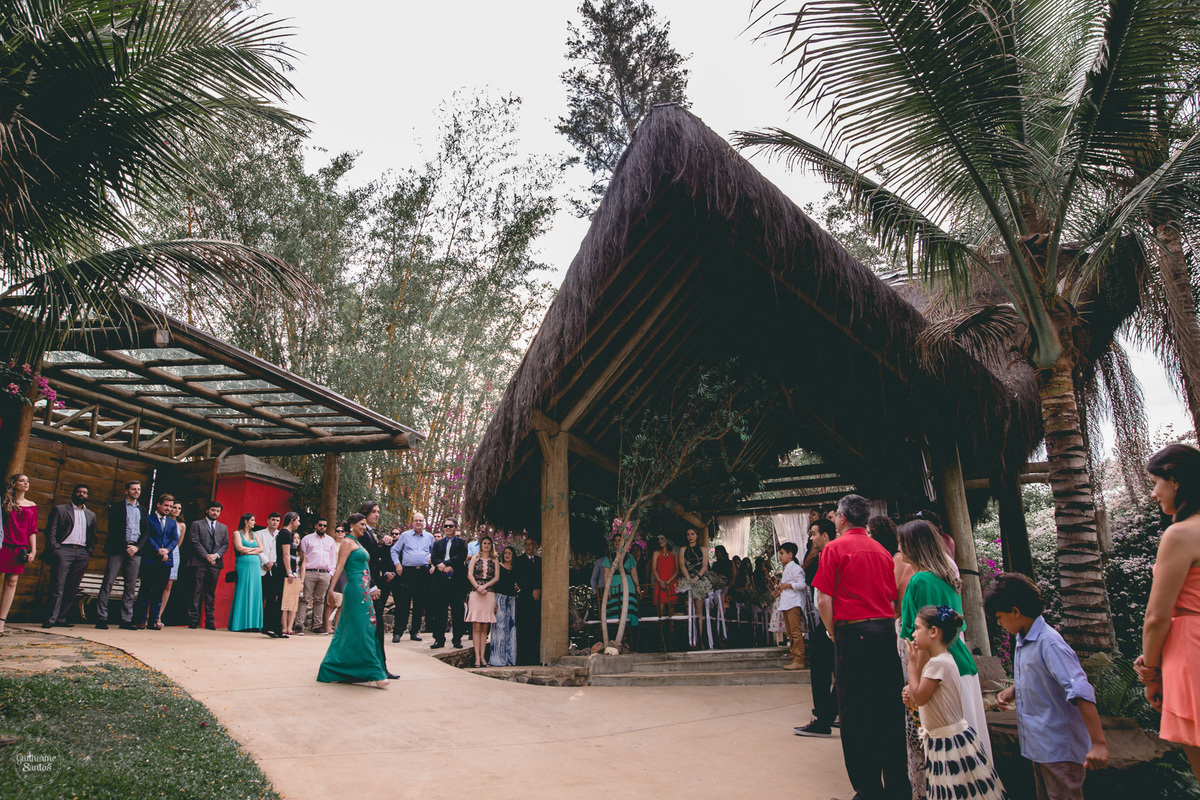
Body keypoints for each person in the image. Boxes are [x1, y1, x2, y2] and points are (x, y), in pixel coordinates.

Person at [812, 494, 910, 799]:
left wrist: (832, 633)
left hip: (853, 634)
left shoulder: (835, 548)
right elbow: (893, 597)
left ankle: (868, 789)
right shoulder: (883, 551)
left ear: (841, 518)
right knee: (888, 709)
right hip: (884, 632)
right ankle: (897, 785)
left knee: (855, 713)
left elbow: (823, 599)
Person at [985, 572, 1107, 800]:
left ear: (1015, 612)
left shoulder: (1049, 642)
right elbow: (1040, 676)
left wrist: (1099, 743)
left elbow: (1080, 690)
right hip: (1039, 746)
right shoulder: (1024, 639)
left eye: (999, 617)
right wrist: (1014, 690)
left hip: (1059, 748)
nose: (999, 623)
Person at [897, 519, 992, 768]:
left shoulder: (919, 581)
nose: (898, 547)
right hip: (960, 664)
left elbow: (920, 640)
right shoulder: (946, 577)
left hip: (936, 672)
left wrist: (915, 681)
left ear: (913, 546)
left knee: (946, 752)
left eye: (902, 542)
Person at [1138, 443, 1200, 781]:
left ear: (1175, 480)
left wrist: (1150, 670)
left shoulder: (1180, 534)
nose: (1153, 494)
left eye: (1155, 483)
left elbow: (1157, 618)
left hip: (1191, 653)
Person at [903, 605, 1007, 800]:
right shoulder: (942, 660)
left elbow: (919, 697)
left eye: (917, 628)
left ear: (933, 631)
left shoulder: (937, 664)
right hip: (946, 741)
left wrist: (911, 663)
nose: (913, 633)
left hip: (948, 745)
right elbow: (921, 701)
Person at [318, 513, 388, 688]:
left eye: (365, 524)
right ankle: (375, 673)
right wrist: (331, 590)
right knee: (364, 628)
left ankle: (336, 667)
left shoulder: (358, 543)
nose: (365, 527)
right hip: (355, 590)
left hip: (363, 589)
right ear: (352, 525)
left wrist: (371, 588)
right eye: (362, 524)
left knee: (356, 629)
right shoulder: (347, 543)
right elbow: (339, 567)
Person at [796, 517, 837, 736]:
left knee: (821, 666)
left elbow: (823, 597)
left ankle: (824, 716)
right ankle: (829, 713)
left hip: (832, 620)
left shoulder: (830, 553)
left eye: (813, 534)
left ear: (825, 535)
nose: (811, 539)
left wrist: (829, 628)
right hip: (835, 620)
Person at [40, 483, 96, 629]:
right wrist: (55, 548)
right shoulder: (60, 510)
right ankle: (50, 619)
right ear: (73, 493)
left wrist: (89, 550)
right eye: (78, 492)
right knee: (57, 586)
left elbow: (93, 536)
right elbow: (51, 531)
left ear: (87, 496)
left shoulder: (91, 515)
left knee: (72, 587)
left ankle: (61, 619)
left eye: (84, 492)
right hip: (64, 551)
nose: (81, 494)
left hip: (82, 552)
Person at [98, 480, 151, 630]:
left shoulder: (142, 509)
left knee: (131, 586)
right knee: (108, 582)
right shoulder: (116, 507)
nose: (136, 492)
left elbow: (145, 532)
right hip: (117, 549)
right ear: (126, 491)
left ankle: (126, 619)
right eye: (133, 489)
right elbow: (113, 529)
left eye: (138, 489)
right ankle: (101, 617)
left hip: (136, 551)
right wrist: (125, 547)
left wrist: (136, 547)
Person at [357, 501, 399, 678]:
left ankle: (380, 666)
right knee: (374, 627)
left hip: (374, 582)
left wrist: (385, 545)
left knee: (377, 627)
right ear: (365, 513)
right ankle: (377, 667)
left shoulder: (370, 532)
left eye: (378, 512)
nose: (377, 514)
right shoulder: (362, 533)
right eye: (373, 511)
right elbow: (364, 563)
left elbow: (376, 558)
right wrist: (373, 584)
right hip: (367, 586)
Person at [132, 493, 180, 630]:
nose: (168, 509)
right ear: (158, 504)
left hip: (166, 560)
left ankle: (154, 620)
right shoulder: (148, 519)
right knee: (145, 590)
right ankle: (141, 620)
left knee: (159, 592)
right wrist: (158, 550)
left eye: (170, 506)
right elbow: (146, 536)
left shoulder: (172, 522)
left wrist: (167, 550)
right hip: (150, 559)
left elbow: (174, 539)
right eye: (166, 505)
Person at [0, 474, 39, 635]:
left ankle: (1, 622)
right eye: (22, 480)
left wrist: (33, 550)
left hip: (20, 547)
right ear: (14, 484)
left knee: (12, 582)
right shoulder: (4, 502)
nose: (26, 483)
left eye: (28, 481)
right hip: (3, 545)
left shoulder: (32, 505)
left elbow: (32, 529)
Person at [389, 511, 434, 642]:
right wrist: (397, 564)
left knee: (419, 603)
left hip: (423, 573)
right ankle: (398, 632)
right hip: (407, 572)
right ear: (412, 522)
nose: (418, 523)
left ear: (424, 522)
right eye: (416, 520)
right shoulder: (405, 535)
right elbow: (394, 550)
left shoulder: (429, 537)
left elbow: (434, 553)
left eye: (421, 520)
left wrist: (433, 565)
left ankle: (414, 632)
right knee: (403, 602)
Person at [187, 500, 228, 630]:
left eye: (217, 511)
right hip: (199, 562)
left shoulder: (223, 527)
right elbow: (194, 541)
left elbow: (225, 544)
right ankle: (193, 619)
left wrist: (215, 556)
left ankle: (210, 621)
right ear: (207, 511)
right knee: (196, 591)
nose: (215, 513)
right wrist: (207, 556)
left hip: (215, 563)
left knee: (211, 592)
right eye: (213, 510)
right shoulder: (197, 524)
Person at [428, 518, 469, 650]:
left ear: (455, 527)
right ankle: (438, 639)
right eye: (446, 526)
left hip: (456, 581)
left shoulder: (461, 542)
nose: (448, 528)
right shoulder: (438, 543)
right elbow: (434, 557)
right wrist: (441, 566)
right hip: (440, 581)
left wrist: (447, 564)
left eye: (451, 526)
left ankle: (457, 639)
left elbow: (461, 556)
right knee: (439, 611)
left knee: (457, 611)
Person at [295, 518, 336, 635]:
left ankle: (317, 625)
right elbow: (302, 557)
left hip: (324, 573)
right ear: (316, 526)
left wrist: (330, 573)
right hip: (309, 572)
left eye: (324, 525)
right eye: (320, 525)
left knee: (320, 600)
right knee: (304, 599)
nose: (322, 527)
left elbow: (332, 558)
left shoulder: (330, 541)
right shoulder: (307, 539)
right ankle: (299, 625)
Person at [466, 535, 500, 666]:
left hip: (489, 592)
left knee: (485, 626)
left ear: (491, 546)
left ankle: (483, 658)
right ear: (481, 545)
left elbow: (496, 577)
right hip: (475, 592)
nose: (486, 545)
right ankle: (477, 657)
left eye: (489, 543)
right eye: (484, 543)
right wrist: (477, 587)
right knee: (476, 626)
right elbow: (469, 574)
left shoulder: (495, 559)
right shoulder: (475, 557)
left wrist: (484, 587)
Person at [229, 513, 264, 632]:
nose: (254, 522)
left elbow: (261, 549)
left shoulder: (255, 534)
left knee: (255, 591)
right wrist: (254, 550)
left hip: (255, 565)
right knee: (242, 590)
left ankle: (253, 624)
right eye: (252, 520)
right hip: (243, 565)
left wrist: (248, 551)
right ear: (245, 521)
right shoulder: (237, 533)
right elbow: (239, 548)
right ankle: (240, 623)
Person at [601, 538, 640, 643]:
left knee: (628, 609)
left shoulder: (629, 556)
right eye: (615, 540)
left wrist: (638, 586)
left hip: (628, 585)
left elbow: (634, 573)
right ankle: (616, 640)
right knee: (615, 611)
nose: (617, 542)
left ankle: (628, 641)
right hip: (614, 584)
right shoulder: (609, 557)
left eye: (620, 540)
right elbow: (605, 574)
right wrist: (607, 589)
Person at [775, 542, 807, 670]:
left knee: (795, 632)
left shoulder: (796, 568)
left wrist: (787, 586)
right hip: (787, 603)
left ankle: (799, 658)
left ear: (790, 554)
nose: (780, 556)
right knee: (790, 632)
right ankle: (794, 654)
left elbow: (802, 584)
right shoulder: (788, 568)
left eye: (782, 554)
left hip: (794, 602)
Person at [678, 528, 709, 647]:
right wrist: (688, 579)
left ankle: (700, 637)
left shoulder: (703, 549)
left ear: (697, 536)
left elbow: (704, 565)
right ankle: (690, 639)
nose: (690, 536)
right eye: (688, 534)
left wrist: (697, 578)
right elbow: (682, 564)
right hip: (687, 579)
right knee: (688, 607)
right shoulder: (683, 549)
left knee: (699, 609)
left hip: (699, 578)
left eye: (692, 534)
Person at [513, 536, 542, 665]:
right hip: (524, 598)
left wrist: (539, 589)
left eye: (531, 544)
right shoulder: (519, 561)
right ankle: (523, 658)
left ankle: (535, 658)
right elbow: (519, 579)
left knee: (536, 628)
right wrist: (530, 590)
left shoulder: (540, 561)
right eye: (526, 544)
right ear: (524, 546)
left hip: (537, 599)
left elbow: (543, 577)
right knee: (524, 628)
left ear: (535, 546)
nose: (528, 546)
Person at [155, 499, 184, 628]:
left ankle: (159, 615)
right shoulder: (162, 521)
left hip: (173, 552)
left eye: (179, 508)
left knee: (168, 584)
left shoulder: (181, 525)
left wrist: (169, 550)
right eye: (174, 507)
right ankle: (150, 614)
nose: (176, 510)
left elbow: (178, 543)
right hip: (160, 551)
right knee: (156, 583)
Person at [491, 545, 519, 667]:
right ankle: (498, 659)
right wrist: (494, 601)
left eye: (510, 553)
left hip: (512, 599)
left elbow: (517, 583)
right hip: (499, 598)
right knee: (499, 627)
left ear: (513, 555)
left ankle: (510, 658)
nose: (507, 555)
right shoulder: (498, 566)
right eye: (505, 553)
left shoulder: (515, 568)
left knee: (511, 628)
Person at [256, 512, 281, 637]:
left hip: (274, 570)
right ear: (268, 520)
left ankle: (267, 626)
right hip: (261, 568)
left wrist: (273, 563)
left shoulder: (280, 534)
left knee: (271, 599)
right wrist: (266, 561)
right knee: (259, 598)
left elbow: (282, 552)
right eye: (273, 520)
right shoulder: (259, 534)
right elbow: (258, 550)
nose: (275, 522)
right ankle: (256, 624)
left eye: (277, 520)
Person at [323, 523, 348, 634]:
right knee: (331, 600)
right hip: (333, 571)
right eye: (337, 531)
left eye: (342, 531)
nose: (340, 533)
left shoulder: (347, 544)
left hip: (344, 573)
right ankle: (327, 626)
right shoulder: (331, 543)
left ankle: (337, 626)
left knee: (341, 601)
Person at [280, 529, 302, 637]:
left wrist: (301, 581)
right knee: (285, 604)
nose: (296, 540)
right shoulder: (289, 553)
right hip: (289, 576)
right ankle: (284, 627)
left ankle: (290, 627)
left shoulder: (301, 553)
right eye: (294, 538)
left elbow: (302, 568)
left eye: (298, 538)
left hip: (297, 577)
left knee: (293, 604)